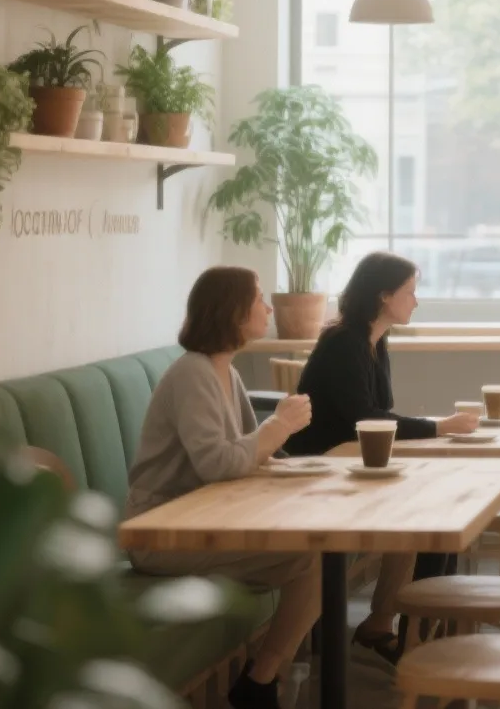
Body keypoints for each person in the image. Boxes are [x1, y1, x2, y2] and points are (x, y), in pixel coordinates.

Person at [125, 266, 320, 709]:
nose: (269, 307)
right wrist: (278, 425)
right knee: (313, 556)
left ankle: (263, 678)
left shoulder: (225, 372)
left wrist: (307, 468)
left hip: (205, 521)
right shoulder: (192, 374)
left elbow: (254, 456)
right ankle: (262, 682)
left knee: (320, 550)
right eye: (258, 300)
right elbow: (219, 463)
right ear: (233, 312)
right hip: (159, 533)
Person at [285, 252, 477, 661]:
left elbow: (377, 414)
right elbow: (367, 418)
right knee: (428, 512)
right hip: (321, 468)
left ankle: (393, 627)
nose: (416, 301)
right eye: (410, 292)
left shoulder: (374, 338)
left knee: (432, 510)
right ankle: (416, 636)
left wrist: (434, 427)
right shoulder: (343, 342)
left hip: (352, 463)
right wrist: (439, 427)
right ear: (384, 296)